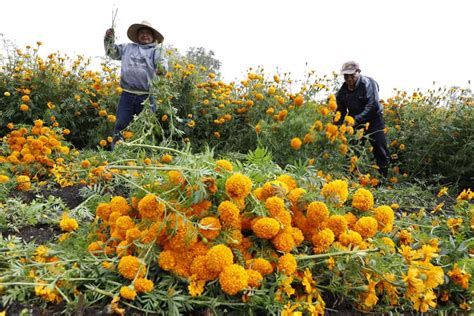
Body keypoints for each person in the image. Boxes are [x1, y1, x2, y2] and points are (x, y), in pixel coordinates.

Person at [104, 20, 168, 149]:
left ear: (153, 37)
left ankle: (145, 156)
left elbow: (163, 65)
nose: (145, 35)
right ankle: (116, 153)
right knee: (121, 125)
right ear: (138, 36)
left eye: (148, 33)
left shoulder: (156, 52)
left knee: (146, 128)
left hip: (146, 97)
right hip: (127, 95)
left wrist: (162, 69)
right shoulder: (127, 48)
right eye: (142, 32)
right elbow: (112, 52)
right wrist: (108, 39)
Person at [335, 61, 390, 177]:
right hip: (356, 121)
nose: (349, 78)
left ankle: (383, 180)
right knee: (352, 151)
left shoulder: (369, 83)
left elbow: (373, 105)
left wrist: (356, 120)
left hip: (374, 119)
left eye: (352, 75)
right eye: (346, 75)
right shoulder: (342, 92)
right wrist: (336, 127)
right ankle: (350, 178)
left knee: (380, 148)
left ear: (358, 72)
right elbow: (340, 111)